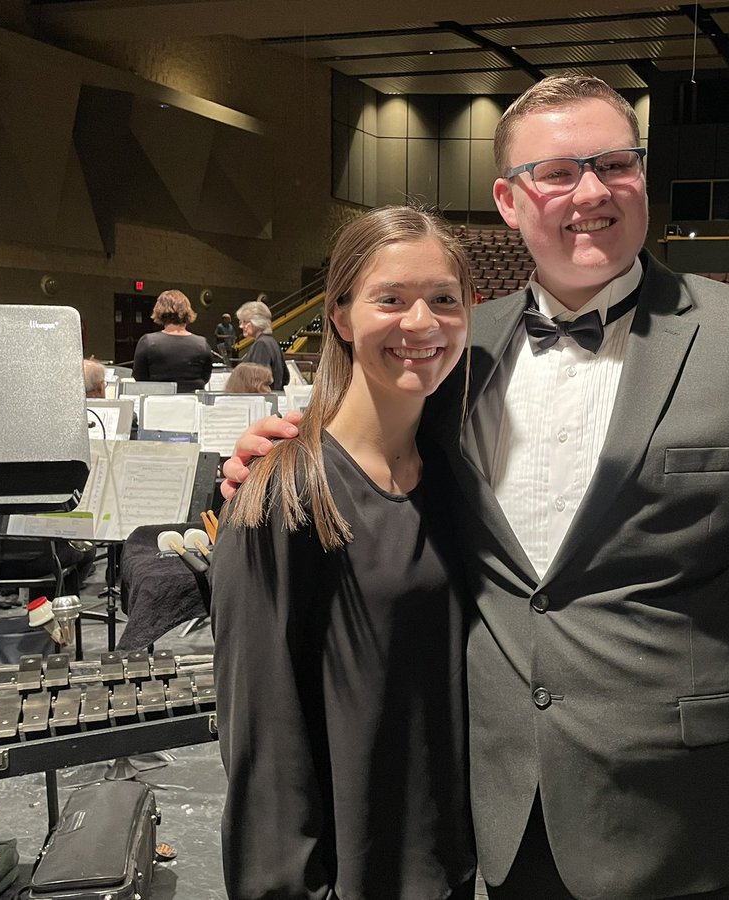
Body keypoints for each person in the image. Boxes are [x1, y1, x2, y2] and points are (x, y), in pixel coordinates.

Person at [224, 75, 729, 900]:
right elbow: (367, 460)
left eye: (615, 164)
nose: (591, 193)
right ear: (508, 198)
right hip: (495, 813)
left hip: (700, 819)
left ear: (645, 175)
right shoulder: (457, 347)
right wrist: (274, 454)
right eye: (558, 172)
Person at [210, 207, 476, 900]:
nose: (422, 323)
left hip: (454, 867)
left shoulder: (458, 480)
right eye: (391, 299)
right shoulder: (283, 491)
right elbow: (261, 743)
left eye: (444, 299)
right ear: (340, 315)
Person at [132, 289, 213, 392]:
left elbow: (139, 377)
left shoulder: (148, 342)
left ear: (159, 311)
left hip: (157, 404)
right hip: (192, 404)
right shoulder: (202, 344)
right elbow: (205, 377)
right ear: (187, 311)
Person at [236, 299, 287, 390]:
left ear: (257, 322)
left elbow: (259, 382)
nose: (241, 326)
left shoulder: (261, 345)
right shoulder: (272, 342)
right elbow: (286, 377)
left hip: (262, 402)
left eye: (245, 322)